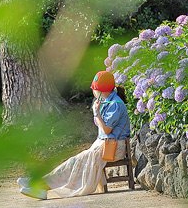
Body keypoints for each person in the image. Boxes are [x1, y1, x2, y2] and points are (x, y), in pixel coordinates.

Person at [19, 71, 130, 200]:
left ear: (100, 90)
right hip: (104, 146)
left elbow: (106, 129)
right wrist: (98, 111)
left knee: (75, 163)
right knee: (74, 162)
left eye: (94, 88)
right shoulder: (107, 101)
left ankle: (40, 186)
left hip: (114, 148)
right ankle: (39, 184)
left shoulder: (115, 104)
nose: (93, 91)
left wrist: (96, 113)